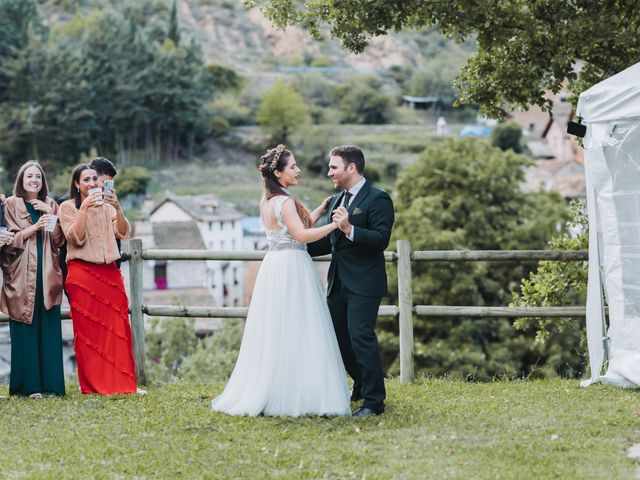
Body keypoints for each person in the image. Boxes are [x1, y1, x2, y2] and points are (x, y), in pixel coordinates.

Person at [211, 144, 351, 417]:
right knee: (300, 324)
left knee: (279, 326)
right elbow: (301, 236)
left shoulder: (268, 200)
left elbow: (295, 228)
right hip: (292, 266)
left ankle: (280, 387)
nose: (298, 170)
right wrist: (336, 225)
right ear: (278, 172)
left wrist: (320, 211)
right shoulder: (285, 201)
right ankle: (299, 393)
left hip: (275, 265)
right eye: (293, 167)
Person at [307, 146, 394, 416]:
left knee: (360, 337)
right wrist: (295, 246)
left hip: (365, 283)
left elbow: (381, 240)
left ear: (352, 168)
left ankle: (374, 401)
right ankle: (360, 383)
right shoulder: (336, 200)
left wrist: (350, 228)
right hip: (338, 283)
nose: (329, 172)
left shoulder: (378, 199)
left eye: (334, 167)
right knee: (338, 339)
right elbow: (329, 243)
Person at [59, 164, 137, 395]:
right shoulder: (67, 207)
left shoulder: (107, 207)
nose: (92, 183)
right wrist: (84, 209)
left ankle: (120, 384)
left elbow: (124, 232)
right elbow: (75, 237)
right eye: (86, 179)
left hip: (109, 273)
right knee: (89, 335)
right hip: (83, 275)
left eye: (95, 179)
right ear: (76, 184)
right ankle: (95, 385)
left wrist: (118, 208)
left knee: (118, 330)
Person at [0, 161, 66, 398]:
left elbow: (59, 241)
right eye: (29, 176)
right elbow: (8, 241)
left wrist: (51, 215)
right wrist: (34, 227)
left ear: (43, 181)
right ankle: (28, 388)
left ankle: (52, 386)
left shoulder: (50, 204)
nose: (34, 180)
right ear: (21, 179)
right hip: (20, 274)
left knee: (48, 329)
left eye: (38, 177)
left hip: (47, 273)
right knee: (24, 327)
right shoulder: (10, 204)